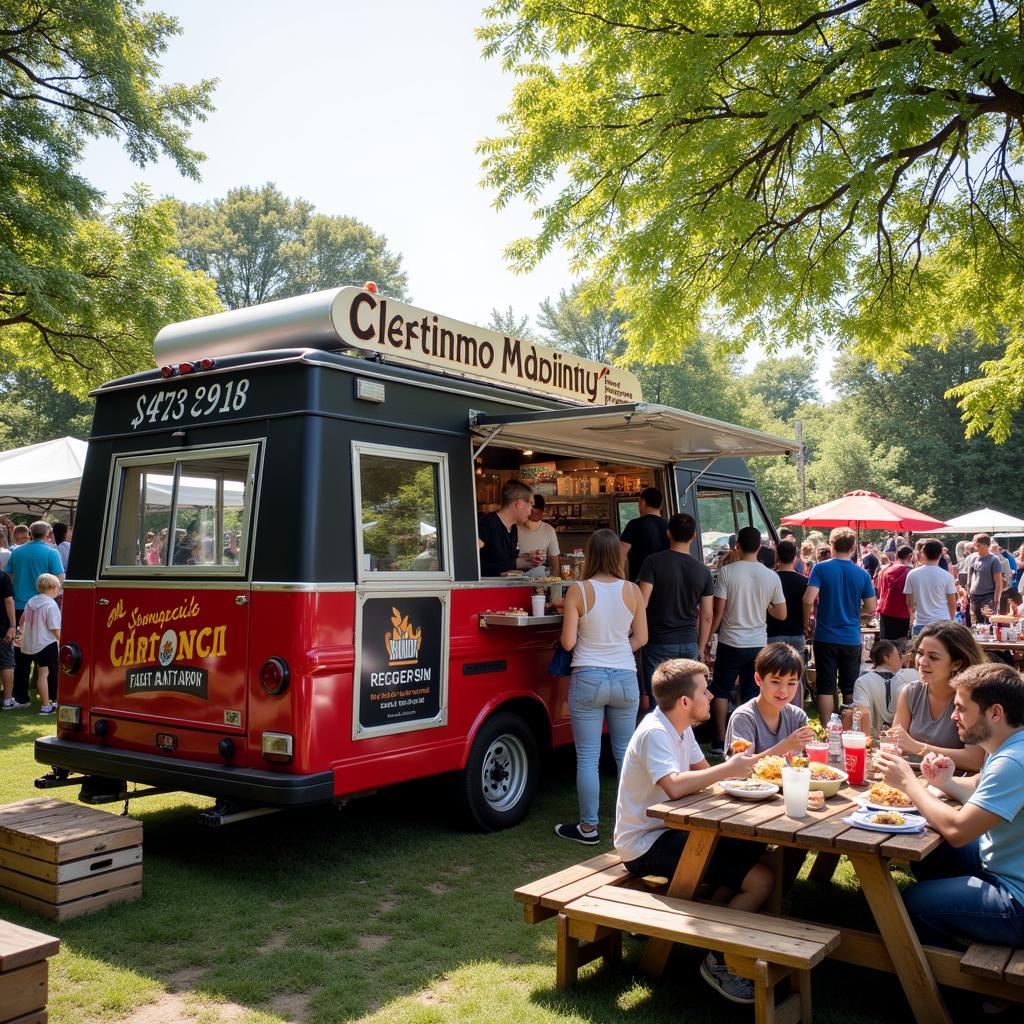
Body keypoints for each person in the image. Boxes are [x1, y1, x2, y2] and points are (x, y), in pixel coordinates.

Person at [613, 658, 773, 1005]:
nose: (711, 695)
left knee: (752, 848)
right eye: (705, 690)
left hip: (670, 830)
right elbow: (674, 785)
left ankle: (699, 926)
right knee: (761, 880)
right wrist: (727, 770)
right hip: (645, 842)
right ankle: (718, 960)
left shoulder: (680, 729)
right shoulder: (656, 732)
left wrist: (740, 770)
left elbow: (705, 773)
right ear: (685, 701)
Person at [877, 662, 1024, 950]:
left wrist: (908, 782)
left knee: (908, 904)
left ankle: (972, 990)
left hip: (1017, 899)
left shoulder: (1013, 762)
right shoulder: (1009, 743)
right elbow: (978, 789)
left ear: (995, 713)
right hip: (1002, 864)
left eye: (962, 709)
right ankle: (953, 912)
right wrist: (945, 782)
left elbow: (957, 830)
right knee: (934, 850)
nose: (953, 716)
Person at [556, 528, 647, 845]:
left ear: (590, 555)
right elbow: (642, 638)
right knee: (625, 755)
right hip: (624, 676)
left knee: (588, 758)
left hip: (589, 676)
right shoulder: (633, 590)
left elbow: (568, 643)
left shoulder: (577, 591)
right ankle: (632, 824)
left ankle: (588, 827)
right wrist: (618, 647)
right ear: (618, 556)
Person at [708, 526, 787, 755]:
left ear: (737, 546)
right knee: (752, 692)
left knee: (721, 690)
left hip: (730, 640)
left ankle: (719, 740)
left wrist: (709, 636)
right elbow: (782, 613)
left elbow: (718, 611)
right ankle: (749, 739)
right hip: (758, 642)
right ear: (760, 547)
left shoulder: (727, 572)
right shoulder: (771, 576)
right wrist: (766, 605)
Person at [636, 513, 713, 710]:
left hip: (658, 642)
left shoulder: (652, 562)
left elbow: (641, 603)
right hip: (688, 642)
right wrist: (700, 648)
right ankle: (684, 739)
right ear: (694, 536)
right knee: (688, 701)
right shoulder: (703, 571)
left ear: (668, 533)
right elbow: (707, 616)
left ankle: (661, 739)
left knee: (659, 701)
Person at [890, 621, 985, 772]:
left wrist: (918, 747)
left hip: (956, 787)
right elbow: (895, 744)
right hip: (913, 781)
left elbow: (975, 760)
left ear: (956, 664)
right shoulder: (909, 693)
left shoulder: (972, 698)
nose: (922, 662)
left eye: (933, 657)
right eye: (920, 653)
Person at [802, 527, 876, 720]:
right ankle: (850, 726)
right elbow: (870, 607)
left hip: (825, 635)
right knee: (850, 686)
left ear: (832, 545)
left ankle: (828, 728)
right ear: (853, 547)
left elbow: (808, 599)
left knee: (826, 684)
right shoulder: (862, 574)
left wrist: (805, 622)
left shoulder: (821, 568)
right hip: (851, 637)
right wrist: (855, 613)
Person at [5, 521, 64, 709]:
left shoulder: (17, 552)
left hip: (21, 607)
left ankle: (21, 696)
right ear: (48, 535)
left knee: (21, 653)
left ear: (30, 534)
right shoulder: (51, 552)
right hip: (45, 607)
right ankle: (52, 696)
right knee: (48, 652)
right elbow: (60, 580)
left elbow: (9, 577)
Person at [724, 643, 816, 756]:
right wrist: (786, 746)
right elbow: (740, 764)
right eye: (775, 682)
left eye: (791, 683)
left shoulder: (798, 716)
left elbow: (812, 757)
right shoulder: (744, 718)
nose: (783, 690)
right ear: (758, 679)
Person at [765, 539, 808, 705]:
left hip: (773, 632)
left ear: (777, 556)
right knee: (795, 678)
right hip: (796, 633)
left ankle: (773, 708)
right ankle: (798, 710)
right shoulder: (804, 581)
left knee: (772, 677)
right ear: (796, 557)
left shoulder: (770, 578)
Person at [851, 640, 918, 737]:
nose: (901, 658)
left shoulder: (862, 682)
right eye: (899, 655)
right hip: (906, 740)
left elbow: (862, 717)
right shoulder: (912, 675)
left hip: (873, 740)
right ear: (886, 658)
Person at [477, 479, 543, 576]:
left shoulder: (513, 527)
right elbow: (473, 566)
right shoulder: (486, 524)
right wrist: (517, 563)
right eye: (530, 504)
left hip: (506, 588)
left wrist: (529, 559)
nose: (531, 510)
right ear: (519, 503)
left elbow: (507, 562)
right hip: (486, 589)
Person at [18, 573, 62, 715]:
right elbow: (54, 627)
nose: (58, 590)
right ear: (52, 587)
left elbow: (21, 622)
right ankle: (46, 705)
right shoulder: (51, 604)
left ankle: (47, 703)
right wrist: (61, 641)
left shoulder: (31, 601)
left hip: (33, 643)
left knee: (42, 673)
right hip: (47, 643)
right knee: (45, 674)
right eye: (57, 587)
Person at [902, 538, 957, 637]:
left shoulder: (912, 574)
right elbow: (952, 604)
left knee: (921, 652)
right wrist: (951, 622)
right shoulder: (947, 576)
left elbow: (910, 604)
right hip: (942, 623)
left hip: (920, 623)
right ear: (941, 554)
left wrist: (913, 617)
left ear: (923, 553)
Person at [619, 487, 668, 581]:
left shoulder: (634, 524)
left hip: (639, 584)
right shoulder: (670, 526)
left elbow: (620, 555)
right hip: (665, 583)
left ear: (642, 502)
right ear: (660, 505)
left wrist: (622, 581)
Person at [517, 495, 561, 579]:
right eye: (530, 511)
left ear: (541, 513)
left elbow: (554, 561)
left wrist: (553, 584)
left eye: (537, 513)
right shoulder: (515, 528)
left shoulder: (549, 530)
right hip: (517, 576)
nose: (530, 514)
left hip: (540, 578)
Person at [875, 544, 913, 641]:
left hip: (885, 611)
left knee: (885, 646)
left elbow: (879, 589)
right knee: (900, 647)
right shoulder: (910, 572)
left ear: (896, 555)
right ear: (910, 556)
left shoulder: (884, 570)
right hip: (902, 613)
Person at [966, 533, 1004, 625]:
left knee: (989, 625)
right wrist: (968, 592)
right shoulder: (973, 558)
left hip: (988, 597)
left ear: (986, 545)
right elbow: (969, 578)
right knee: (975, 625)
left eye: (978, 545)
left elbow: (999, 583)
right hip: (974, 597)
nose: (975, 547)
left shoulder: (994, 559)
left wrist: (996, 601)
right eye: (975, 544)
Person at [0, 566, 15, 709]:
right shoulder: (3, 577)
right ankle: (7, 700)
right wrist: (12, 625)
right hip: (2, 626)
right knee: (6, 663)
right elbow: (9, 601)